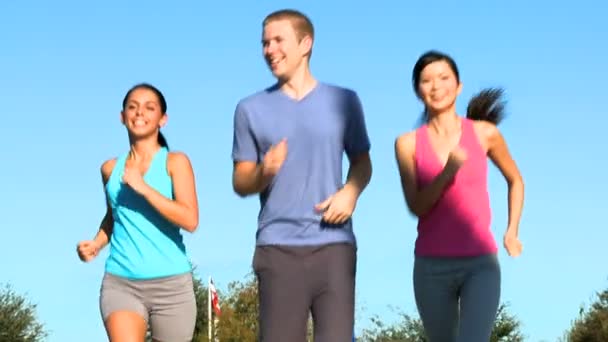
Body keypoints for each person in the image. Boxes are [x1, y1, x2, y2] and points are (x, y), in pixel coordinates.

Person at [231, 9, 372, 342]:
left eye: (278, 40)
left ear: (305, 43)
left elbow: (363, 164)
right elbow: (240, 182)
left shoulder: (344, 101)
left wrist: (350, 192)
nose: (269, 50)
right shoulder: (250, 109)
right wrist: (263, 172)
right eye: (264, 43)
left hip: (334, 246)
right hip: (277, 247)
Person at [394, 50, 525, 342]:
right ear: (418, 90)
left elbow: (516, 180)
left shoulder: (484, 134)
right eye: (427, 80)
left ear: (459, 86)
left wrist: (511, 231)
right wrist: (447, 172)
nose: (436, 86)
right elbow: (417, 205)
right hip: (430, 267)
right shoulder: (407, 144)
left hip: (480, 263)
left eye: (444, 78)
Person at [76, 83, 199, 342]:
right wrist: (96, 244)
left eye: (149, 107)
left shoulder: (175, 162)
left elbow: (190, 220)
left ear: (162, 119)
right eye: (132, 107)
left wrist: (144, 189)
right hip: (121, 282)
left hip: (172, 285)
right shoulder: (110, 169)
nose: (139, 112)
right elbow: (114, 217)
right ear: (122, 117)